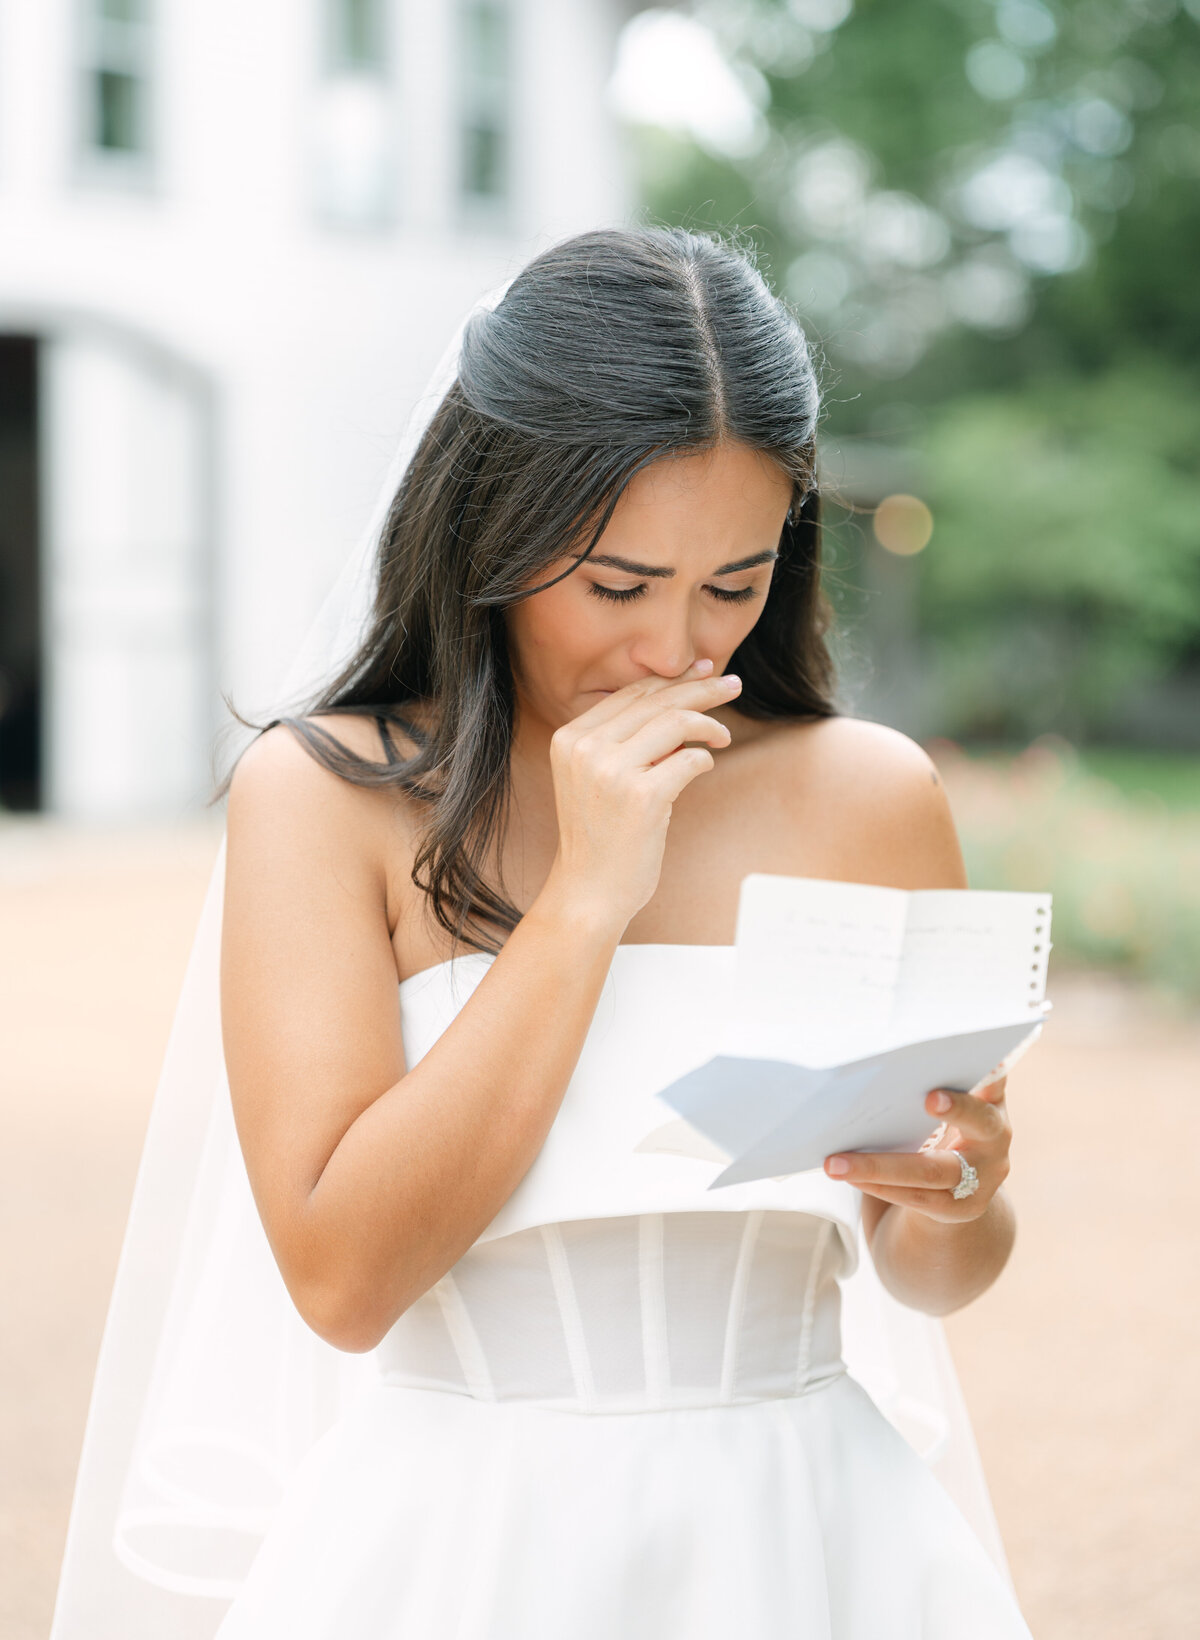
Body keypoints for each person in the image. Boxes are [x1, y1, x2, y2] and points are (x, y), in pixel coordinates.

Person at [49, 225, 1035, 1640]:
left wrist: (965, 1198)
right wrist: (585, 898)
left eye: (735, 582)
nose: (680, 652)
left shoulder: (869, 796)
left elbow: (928, 1267)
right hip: (460, 1547)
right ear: (490, 533)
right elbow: (341, 1279)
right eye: (618, 585)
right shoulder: (327, 800)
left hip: (811, 1536)